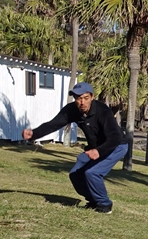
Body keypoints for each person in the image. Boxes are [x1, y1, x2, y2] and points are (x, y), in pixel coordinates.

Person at [22, 82, 127, 214]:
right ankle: (93, 201)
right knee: (75, 174)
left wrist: (98, 151)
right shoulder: (72, 110)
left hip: (116, 146)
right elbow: (53, 125)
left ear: (92, 97)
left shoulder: (103, 111)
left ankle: (105, 205)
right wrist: (34, 134)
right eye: (78, 98)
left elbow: (115, 137)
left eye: (85, 98)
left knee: (92, 173)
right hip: (95, 149)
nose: (82, 102)